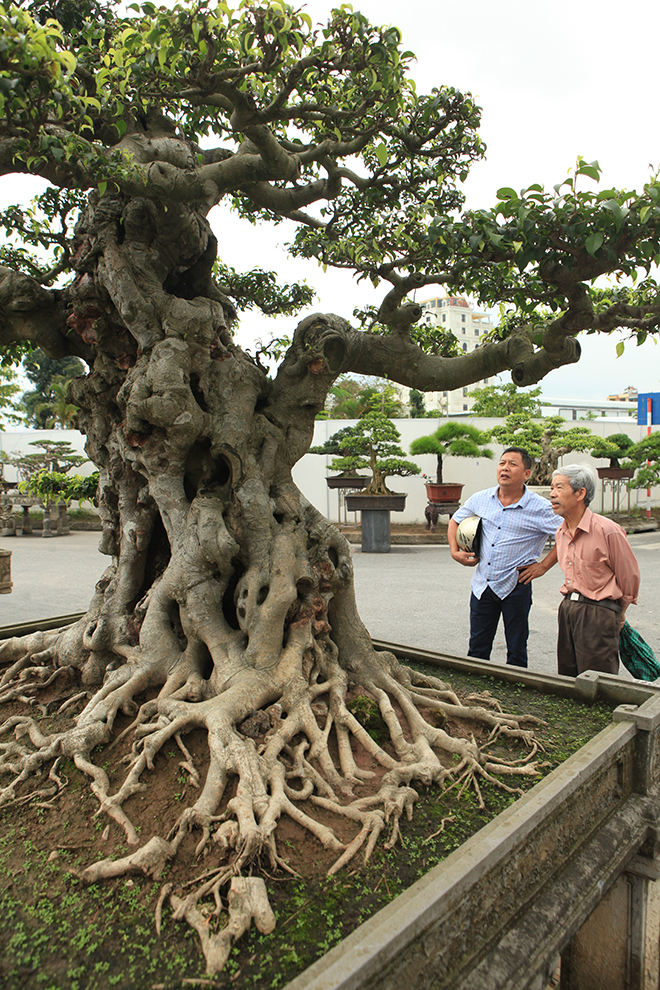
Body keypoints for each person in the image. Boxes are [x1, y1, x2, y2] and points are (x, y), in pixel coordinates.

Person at [448, 447, 558, 667]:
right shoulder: (481, 498)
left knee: (517, 649)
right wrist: (454, 551)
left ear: (527, 474)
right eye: (502, 463)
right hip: (483, 584)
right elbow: (455, 520)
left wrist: (543, 567)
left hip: (516, 584)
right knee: (477, 648)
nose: (505, 468)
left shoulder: (541, 508)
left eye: (512, 464)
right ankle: (476, 692)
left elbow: (567, 535)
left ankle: (515, 693)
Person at [547, 464, 640, 677]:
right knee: (568, 676)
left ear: (580, 493)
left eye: (559, 488)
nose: (552, 494)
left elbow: (629, 576)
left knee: (597, 680)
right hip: (569, 608)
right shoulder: (561, 531)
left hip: (599, 612)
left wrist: (621, 611)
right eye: (552, 488)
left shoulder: (607, 530)